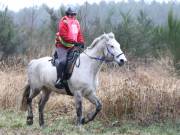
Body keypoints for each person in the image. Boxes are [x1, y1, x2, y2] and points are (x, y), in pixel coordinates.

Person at [54, 7, 85, 89]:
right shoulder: (63, 22)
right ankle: (59, 80)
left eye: (74, 14)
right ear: (67, 15)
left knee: (79, 59)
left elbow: (79, 34)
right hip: (62, 45)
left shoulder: (76, 23)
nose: (72, 16)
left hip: (71, 46)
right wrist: (73, 41)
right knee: (63, 61)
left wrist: (81, 42)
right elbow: (63, 35)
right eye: (71, 14)